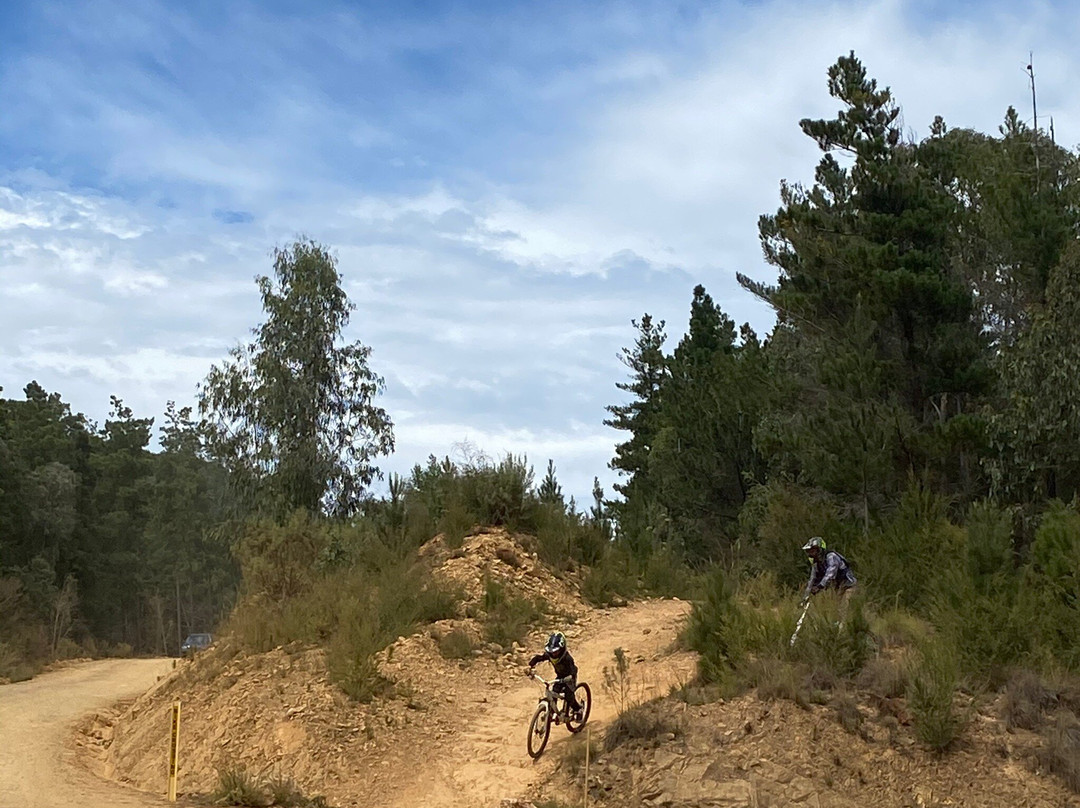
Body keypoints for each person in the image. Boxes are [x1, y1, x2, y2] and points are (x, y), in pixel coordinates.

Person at [528, 631, 582, 720]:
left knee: (569, 696)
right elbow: (539, 658)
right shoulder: (550, 656)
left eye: (556, 651)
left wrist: (571, 677)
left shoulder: (567, 658)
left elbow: (573, 669)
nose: (554, 654)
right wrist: (530, 666)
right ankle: (552, 711)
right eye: (551, 652)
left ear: (562, 648)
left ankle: (578, 709)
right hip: (560, 677)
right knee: (554, 692)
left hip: (569, 678)